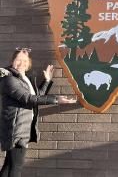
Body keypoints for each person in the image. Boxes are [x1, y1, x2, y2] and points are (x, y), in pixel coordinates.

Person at [0, 47, 76, 177]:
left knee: (9, 166)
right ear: (12, 61)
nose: (21, 63)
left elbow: (37, 96)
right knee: (15, 168)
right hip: (16, 130)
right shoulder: (9, 79)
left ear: (28, 63)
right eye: (18, 59)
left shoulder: (24, 78)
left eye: (24, 60)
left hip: (21, 128)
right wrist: (57, 99)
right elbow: (28, 99)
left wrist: (47, 80)